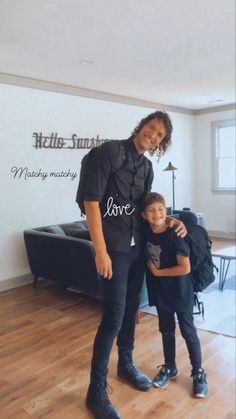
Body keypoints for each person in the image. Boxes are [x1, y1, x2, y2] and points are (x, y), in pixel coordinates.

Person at [82, 111, 186, 419]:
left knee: (130, 311)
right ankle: (95, 391)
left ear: (160, 143)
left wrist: (171, 220)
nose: (152, 135)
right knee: (113, 316)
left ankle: (125, 363)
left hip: (136, 249)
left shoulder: (147, 167)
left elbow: (146, 210)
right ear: (141, 127)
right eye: (150, 128)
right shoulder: (110, 152)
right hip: (112, 250)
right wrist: (100, 252)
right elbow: (91, 202)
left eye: (159, 136)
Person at [142, 192, 208, 398]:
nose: (157, 214)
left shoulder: (174, 234)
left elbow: (185, 267)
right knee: (166, 330)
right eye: (151, 210)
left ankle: (198, 373)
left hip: (181, 291)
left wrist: (158, 272)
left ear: (166, 211)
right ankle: (170, 367)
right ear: (143, 215)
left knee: (188, 330)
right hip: (162, 291)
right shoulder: (146, 232)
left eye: (161, 209)